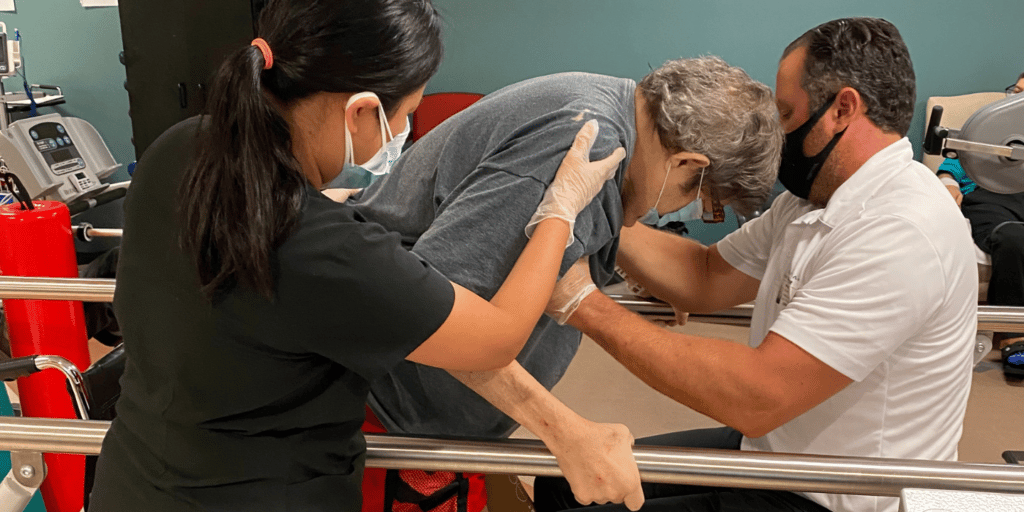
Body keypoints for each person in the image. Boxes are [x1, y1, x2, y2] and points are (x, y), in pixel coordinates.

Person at [87, 0, 625, 510]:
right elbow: (498, 336)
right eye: (405, 116)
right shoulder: (322, 246)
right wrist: (560, 209)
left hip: (135, 480)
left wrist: (323, 199)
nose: (400, 136)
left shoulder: (180, 146)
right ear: (361, 111)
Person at [533, 17, 978, 512]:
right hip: (776, 450)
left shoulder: (901, 230)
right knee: (564, 483)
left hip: (838, 496)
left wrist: (581, 302)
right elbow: (703, 277)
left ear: (843, 109)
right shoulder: (814, 201)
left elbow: (757, 396)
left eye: (786, 113)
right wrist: (598, 211)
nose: (776, 133)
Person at [344, 57, 781, 506]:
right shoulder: (583, 145)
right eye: (698, 196)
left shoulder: (608, 104)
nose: (674, 211)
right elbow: (434, 317)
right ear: (687, 160)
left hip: (426, 413)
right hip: (391, 415)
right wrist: (566, 431)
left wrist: (606, 263)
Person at [937, 73, 1024, 354]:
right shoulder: (990, 132)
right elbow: (951, 169)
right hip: (990, 198)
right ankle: (1014, 338)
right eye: (1015, 91)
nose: (1016, 99)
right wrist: (947, 185)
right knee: (1013, 237)